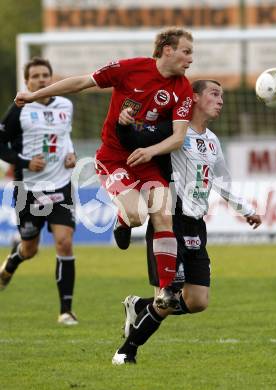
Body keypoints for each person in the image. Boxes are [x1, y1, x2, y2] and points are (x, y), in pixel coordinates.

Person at [15, 27, 194, 309]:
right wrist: (35, 95)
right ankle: (122, 222)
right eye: (186, 51)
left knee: (163, 213)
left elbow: (179, 136)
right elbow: (81, 82)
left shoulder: (182, 88)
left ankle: (165, 290)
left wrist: (150, 151)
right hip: (112, 158)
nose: (190, 59)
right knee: (136, 216)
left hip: (146, 161)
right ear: (168, 50)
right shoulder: (130, 69)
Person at [111, 79, 262, 364]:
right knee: (167, 297)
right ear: (192, 98)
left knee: (197, 301)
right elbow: (135, 138)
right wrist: (125, 122)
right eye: (214, 94)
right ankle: (126, 351)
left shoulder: (213, 140)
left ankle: (139, 305)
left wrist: (245, 209)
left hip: (196, 223)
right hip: (170, 220)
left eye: (222, 95)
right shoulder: (173, 132)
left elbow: (220, 180)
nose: (220, 100)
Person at [0, 57, 78, 325]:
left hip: (61, 185)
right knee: (30, 248)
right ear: (27, 81)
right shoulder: (19, 109)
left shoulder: (66, 105)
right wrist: (24, 162)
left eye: (46, 75)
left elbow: (65, 135)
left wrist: (71, 154)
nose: (42, 79)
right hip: (29, 189)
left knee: (64, 242)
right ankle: (11, 263)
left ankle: (66, 310)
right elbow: (0, 144)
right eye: (36, 76)